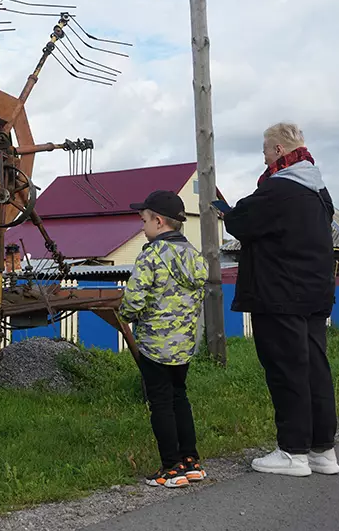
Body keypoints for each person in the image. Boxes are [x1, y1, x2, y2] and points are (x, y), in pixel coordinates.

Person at [223, 122, 339, 477]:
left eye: (264, 151)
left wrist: (225, 212)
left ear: (277, 151)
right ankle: (323, 451)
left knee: (287, 369)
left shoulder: (278, 188)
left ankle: (293, 452)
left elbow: (238, 221)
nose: (263, 157)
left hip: (279, 293)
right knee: (316, 369)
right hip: (316, 291)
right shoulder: (319, 191)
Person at [119, 189, 209, 488]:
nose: (141, 226)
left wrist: (128, 315)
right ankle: (191, 461)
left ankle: (171, 467)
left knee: (160, 402)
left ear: (158, 222)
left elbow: (133, 300)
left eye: (143, 220)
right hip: (184, 344)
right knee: (179, 397)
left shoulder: (151, 256)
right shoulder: (194, 256)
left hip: (155, 345)